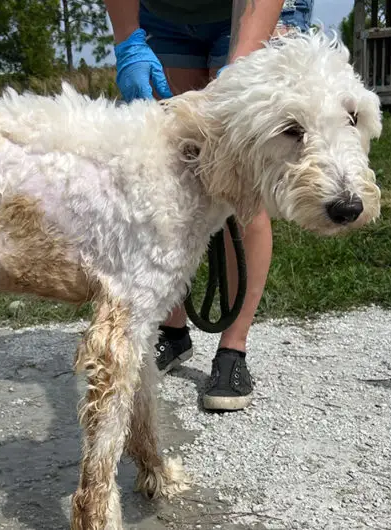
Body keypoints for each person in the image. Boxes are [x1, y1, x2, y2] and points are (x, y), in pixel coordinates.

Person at [103, 0, 314, 412]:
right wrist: (129, 41)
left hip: (252, 9)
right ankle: (173, 329)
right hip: (165, 15)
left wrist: (243, 66)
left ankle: (233, 348)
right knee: (169, 169)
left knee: (242, 177)